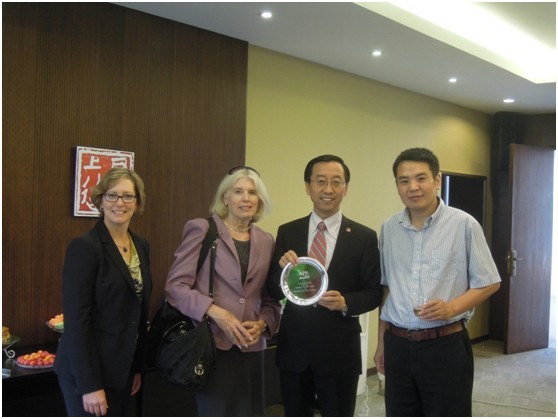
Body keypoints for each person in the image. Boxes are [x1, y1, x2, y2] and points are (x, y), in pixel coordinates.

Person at [373, 147, 501, 417]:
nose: (413, 187)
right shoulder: (389, 228)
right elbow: (387, 288)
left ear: (437, 180)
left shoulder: (464, 224)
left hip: (445, 345)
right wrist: (381, 341)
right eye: (404, 180)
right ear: (397, 185)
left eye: (421, 178)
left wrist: (452, 308)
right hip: (397, 344)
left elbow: (489, 282)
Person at [267, 154, 382, 417]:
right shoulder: (288, 231)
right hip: (295, 351)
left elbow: (374, 292)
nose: (328, 189)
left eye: (336, 182)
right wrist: (284, 274)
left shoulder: (364, 237)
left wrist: (345, 303)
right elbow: (272, 288)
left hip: (338, 351)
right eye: (320, 181)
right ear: (308, 187)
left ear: (346, 188)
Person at [165, 166, 281, 416]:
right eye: (238, 191)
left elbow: (270, 298)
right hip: (212, 345)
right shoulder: (202, 229)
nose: (246, 198)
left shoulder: (267, 240)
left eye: (252, 192)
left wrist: (262, 324)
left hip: (252, 348)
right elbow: (176, 287)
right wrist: (217, 313)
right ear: (225, 197)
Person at [55, 168, 152, 417]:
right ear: (100, 200)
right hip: (88, 373)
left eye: (128, 196)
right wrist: (89, 385)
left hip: (124, 369)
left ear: (137, 203)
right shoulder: (85, 247)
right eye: (112, 195)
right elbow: (76, 322)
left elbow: (138, 311)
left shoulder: (141, 245)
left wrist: (137, 367)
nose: (120, 203)